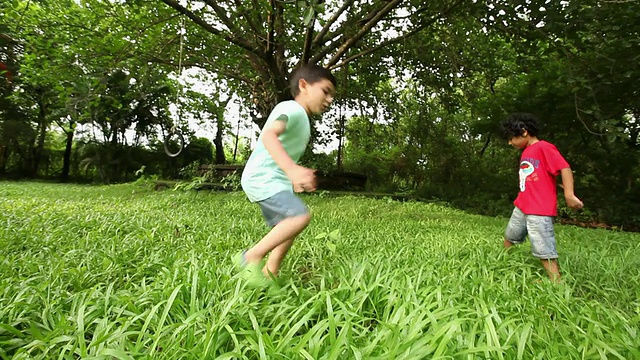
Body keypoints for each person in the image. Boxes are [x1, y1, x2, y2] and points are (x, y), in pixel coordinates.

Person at [235, 63, 336, 285]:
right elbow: (269, 135)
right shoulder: (291, 108)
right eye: (325, 91)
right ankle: (250, 256)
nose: (329, 100)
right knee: (299, 217)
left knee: (287, 228)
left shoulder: (301, 117)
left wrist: (291, 176)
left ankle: (270, 273)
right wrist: (292, 169)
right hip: (263, 177)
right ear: (304, 85)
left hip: (275, 180)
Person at [501, 113, 584, 283]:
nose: (510, 142)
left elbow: (564, 168)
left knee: (543, 247)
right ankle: (503, 264)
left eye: (511, 138)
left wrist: (569, 194)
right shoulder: (527, 151)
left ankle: (556, 282)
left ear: (524, 132)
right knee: (510, 236)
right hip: (523, 205)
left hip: (539, 209)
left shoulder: (544, 147)